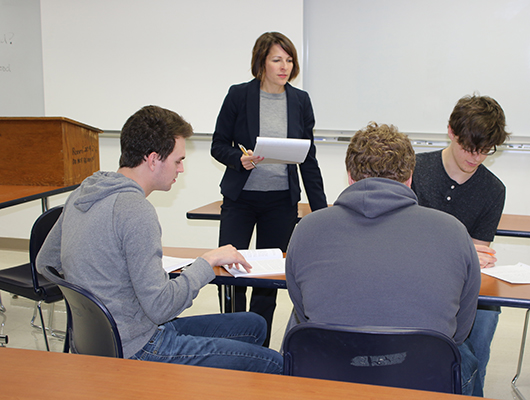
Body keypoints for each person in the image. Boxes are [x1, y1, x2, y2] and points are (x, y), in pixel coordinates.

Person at [36, 105, 282, 373]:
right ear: (153, 159)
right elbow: (162, 308)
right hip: (138, 348)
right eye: (178, 161)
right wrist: (206, 262)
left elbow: (45, 262)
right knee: (274, 362)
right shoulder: (135, 210)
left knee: (254, 324)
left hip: (98, 341)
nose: (181, 170)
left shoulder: (85, 191)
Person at [284, 122, 481, 395]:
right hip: (422, 381)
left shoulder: (307, 229)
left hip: (331, 380)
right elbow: (460, 332)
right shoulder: (454, 232)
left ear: (350, 176)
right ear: (411, 176)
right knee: (468, 359)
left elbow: (303, 310)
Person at [211, 32, 327, 346]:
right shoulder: (239, 95)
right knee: (231, 273)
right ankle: (228, 342)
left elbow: (308, 158)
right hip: (241, 200)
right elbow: (218, 145)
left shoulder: (300, 100)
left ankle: (255, 347)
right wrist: (239, 159)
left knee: (267, 280)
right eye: (277, 59)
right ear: (261, 61)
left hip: (280, 203)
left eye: (289, 60)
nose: (284, 66)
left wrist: (322, 212)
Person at [411, 94, 510, 396]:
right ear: (451, 132)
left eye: (485, 151)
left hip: (463, 282)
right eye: (469, 147)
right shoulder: (414, 169)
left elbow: (478, 254)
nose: (476, 158)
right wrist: (458, 249)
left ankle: (470, 385)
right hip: (414, 278)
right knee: (456, 356)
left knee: (487, 312)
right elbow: (398, 238)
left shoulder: (492, 189)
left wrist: (444, 249)